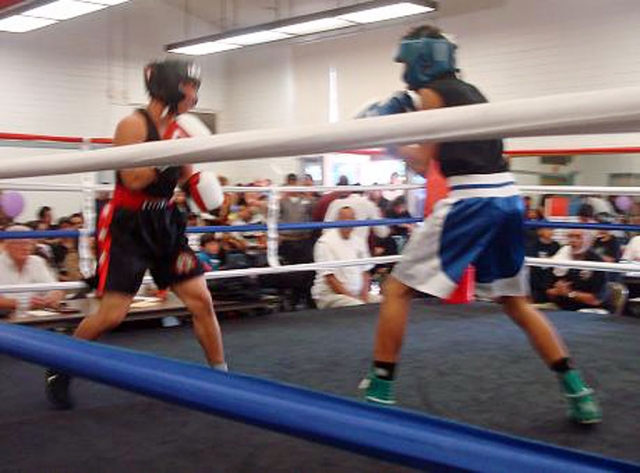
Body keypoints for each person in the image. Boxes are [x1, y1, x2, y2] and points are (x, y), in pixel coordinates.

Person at [358, 25, 601, 424]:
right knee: (516, 302)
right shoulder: (472, 93)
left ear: (421, 58)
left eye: (405, 61)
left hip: (472, 200)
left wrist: (386, 135)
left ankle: (381, 390)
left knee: (397, 289)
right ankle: (579, 391)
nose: (403, 70)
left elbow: (422, 162)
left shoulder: (432, 95)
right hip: (508, 199)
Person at [45, 59, 227, 409]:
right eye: (191, 85)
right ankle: (60, 364)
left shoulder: (180, 130)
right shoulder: (133, 124)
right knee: (112, 314)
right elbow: (133, 179)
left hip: (165, 223)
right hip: (128, 225)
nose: (195, 94)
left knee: (201, 301)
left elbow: (189, 182)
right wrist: (172, 149)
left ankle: (222, 378)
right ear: (172, 85)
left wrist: (207, 191)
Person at [311, 206, 382, 309]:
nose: (347, 222)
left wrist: (364, 295)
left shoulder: (359, 241)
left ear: (355, 221)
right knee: (356, 307)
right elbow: (330, 279)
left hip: (357, 294)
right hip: (331, 295)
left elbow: (365, 272)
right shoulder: (325, 242)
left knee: (385, 303)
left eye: (350, 218)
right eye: (344, 219)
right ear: (337, 220)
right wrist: (355, 299)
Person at [0, 225, 64, 313]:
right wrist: (22, 304)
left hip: (38, 317)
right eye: (19, 243)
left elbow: (57, 290)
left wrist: (51, 298)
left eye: (28, 243)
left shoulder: (37, 262)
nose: (25, 248)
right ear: (6, 245)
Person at [547, 230, 606, 312]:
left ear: (588, 241)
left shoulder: (596, 262)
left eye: (578, 237)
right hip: (561, 308)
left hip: (587, 311)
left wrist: (569, 293)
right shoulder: (561, 257)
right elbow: (549, 291)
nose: (573, 240)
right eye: (570, 236)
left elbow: (596, 300)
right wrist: (557, 291)